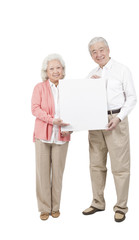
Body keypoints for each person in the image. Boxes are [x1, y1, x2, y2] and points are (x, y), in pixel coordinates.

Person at [82, 37, 137, 222]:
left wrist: (119, 118)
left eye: (101, 49)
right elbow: (83, 101)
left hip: (116, 119)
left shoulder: (122, 70)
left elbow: (132, 98)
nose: (98, 54)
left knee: (120, 167)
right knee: (96, 164)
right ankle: (98, 202)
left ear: (108, 49)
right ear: (91, 55)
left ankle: (121, 206)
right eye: (94, 52)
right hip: (95, 121)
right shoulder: (90, 74)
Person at [31, 54, 71, 220]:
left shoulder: (69, 88)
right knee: (42, 173)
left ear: (63, 70)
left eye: (58, 68)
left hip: (62, 136)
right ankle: (44, 208)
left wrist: (71, 129)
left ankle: (56, 207)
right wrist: (52, 120)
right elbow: (35, 109)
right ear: (46, 71)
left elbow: (76, 111)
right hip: (43, 136)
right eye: (52, 68)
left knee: (58, 174)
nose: (56, 71)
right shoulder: (39, 87)